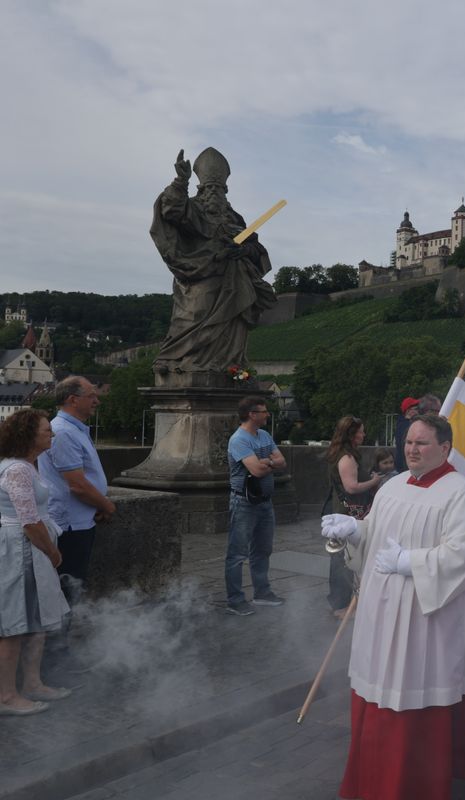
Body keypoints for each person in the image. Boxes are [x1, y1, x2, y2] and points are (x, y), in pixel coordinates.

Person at [321, 414, 465, 800]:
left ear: (444, 448)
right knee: (377, 688)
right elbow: (375, 534)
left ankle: (412, 783)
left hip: (421, 617)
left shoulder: (460, 492)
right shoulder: (394, 485)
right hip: (381, 610)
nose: (412, 449)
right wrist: (353, 530)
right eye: (409, 442)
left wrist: (410, 563)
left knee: (413, 692)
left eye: (422, 443)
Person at [150, 148, 275, 377]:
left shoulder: (234, 218)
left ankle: (230, 367)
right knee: (193, 316)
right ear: (201, 189)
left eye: (219, 189)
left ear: (226, 191)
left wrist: (244, 250)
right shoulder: (194, 209)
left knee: (232, 324)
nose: (215, 192)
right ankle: (175, 359)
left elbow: (256, 248)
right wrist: (180, 181)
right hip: (199, 275)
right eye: (210, 188)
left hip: (234, 280)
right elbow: (171, 210)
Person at [38, 376, 115, 673]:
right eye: (92, 395)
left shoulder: (72, 430)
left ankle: (59, 650)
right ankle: (55, 656)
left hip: (79, 520)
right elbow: (77, 485)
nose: (96, 400)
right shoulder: (64, 433)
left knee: (70, 588)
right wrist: (106, 504)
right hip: (69, 526)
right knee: (66, 589)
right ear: (73, 399)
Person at [0, 409, 73, 715]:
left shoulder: (29, 464)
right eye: (46, 431)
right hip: (23, 549)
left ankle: (32, 682)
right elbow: (29, 522)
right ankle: (6, 695)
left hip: (32, 548)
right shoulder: (16, 469)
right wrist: (53, 554)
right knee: (16, 623)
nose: (51, 435)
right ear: (29, 435)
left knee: (37, 619)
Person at [225, 396, 287, 616]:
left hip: (264, 502)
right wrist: (269, 463)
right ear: (252, 414)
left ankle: (262, 593)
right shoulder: (239, 440)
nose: (267, 414)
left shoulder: (264, 435)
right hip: (244, 502)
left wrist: (266, 462)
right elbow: (257, 471)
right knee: (237, 553)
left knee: (262, 550)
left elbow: (282, 462)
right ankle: (235, 600)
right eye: (264, 411)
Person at [324, 417, 385, 619]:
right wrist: (375, 481)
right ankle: (340, 606)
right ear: (352, 434)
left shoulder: (342, 454)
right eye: (360, 431)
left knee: (343, 557)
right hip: (346, 512)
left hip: (343, 510)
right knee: (343, 558)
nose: (364, 434)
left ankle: (342, 602)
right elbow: (351, 487)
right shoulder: (347, 457)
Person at [392, 396, 420, 473]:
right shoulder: (405, 426)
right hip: (404, 468)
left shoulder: (403, 423)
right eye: (416, 409)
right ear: (408, 411)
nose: (418, 412)